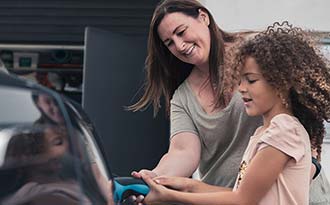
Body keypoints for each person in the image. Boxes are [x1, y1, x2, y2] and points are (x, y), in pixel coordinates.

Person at [128, 0, 327, 202]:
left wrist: (310, 165)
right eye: (169, 43)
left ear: (203, 17)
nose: (179, 45)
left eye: (181, 32)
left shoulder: (258, 55)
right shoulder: (182, 97)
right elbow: (183, 151)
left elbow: (308, 112)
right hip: (224, 196)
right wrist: (156, 178)